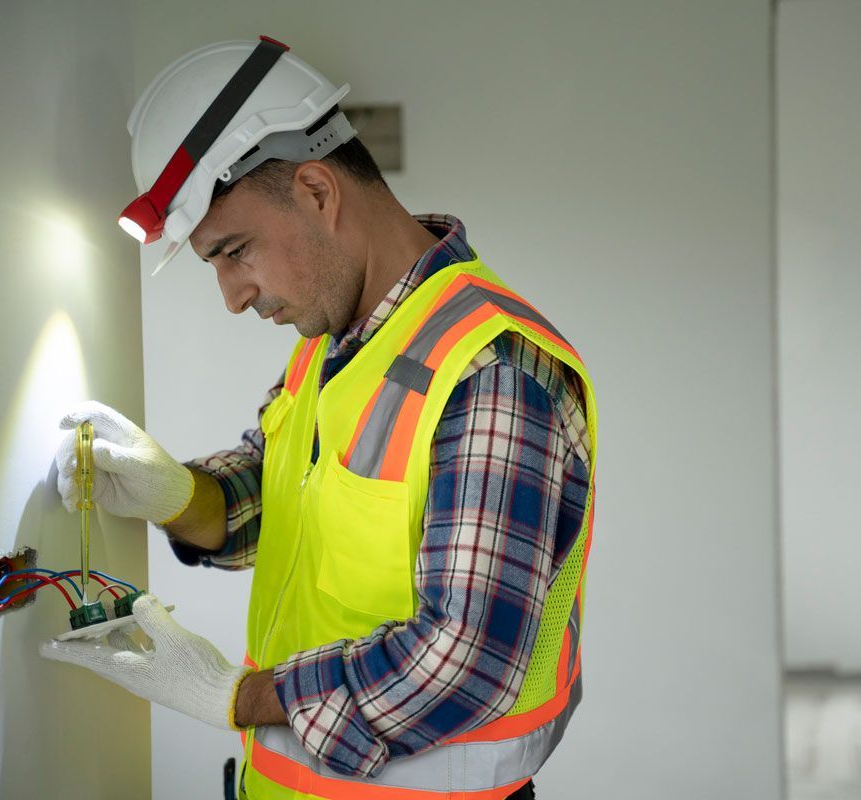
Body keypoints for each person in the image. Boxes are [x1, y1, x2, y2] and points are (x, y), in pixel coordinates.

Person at [42, 36, 597, 800]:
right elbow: (292, 504)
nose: (234, 296)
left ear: (315, 191)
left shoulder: (488, 369)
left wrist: (233, 696)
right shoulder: (338, 344)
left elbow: (464, 661)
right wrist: (176, 493)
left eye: (235, 251)